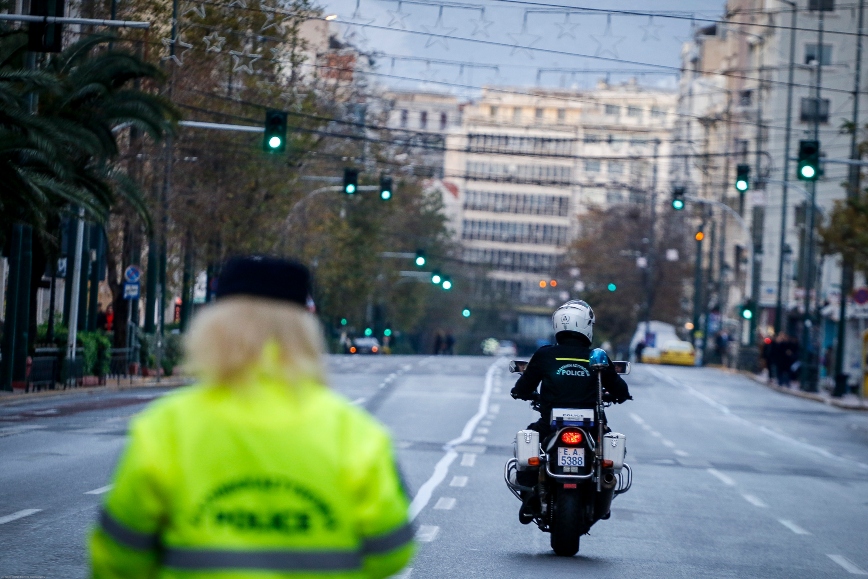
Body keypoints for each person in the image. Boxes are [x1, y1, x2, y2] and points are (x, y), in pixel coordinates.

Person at [89, 256, 415, 578]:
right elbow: (392, 552)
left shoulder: (165, 427)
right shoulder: (356, 433)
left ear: (213, 328)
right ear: (305, 332)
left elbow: (118, 558)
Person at [509, 300, 632, 520]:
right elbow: (620, 389)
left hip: (550, 425)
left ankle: (529, 499)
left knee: (528, 441)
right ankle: (604, 491)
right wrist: (620, 395)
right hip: (592, 427)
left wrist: (521, 392)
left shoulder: (545, 355)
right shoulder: (597, 357)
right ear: (587, 325)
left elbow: (523, 387)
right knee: (607, 451)